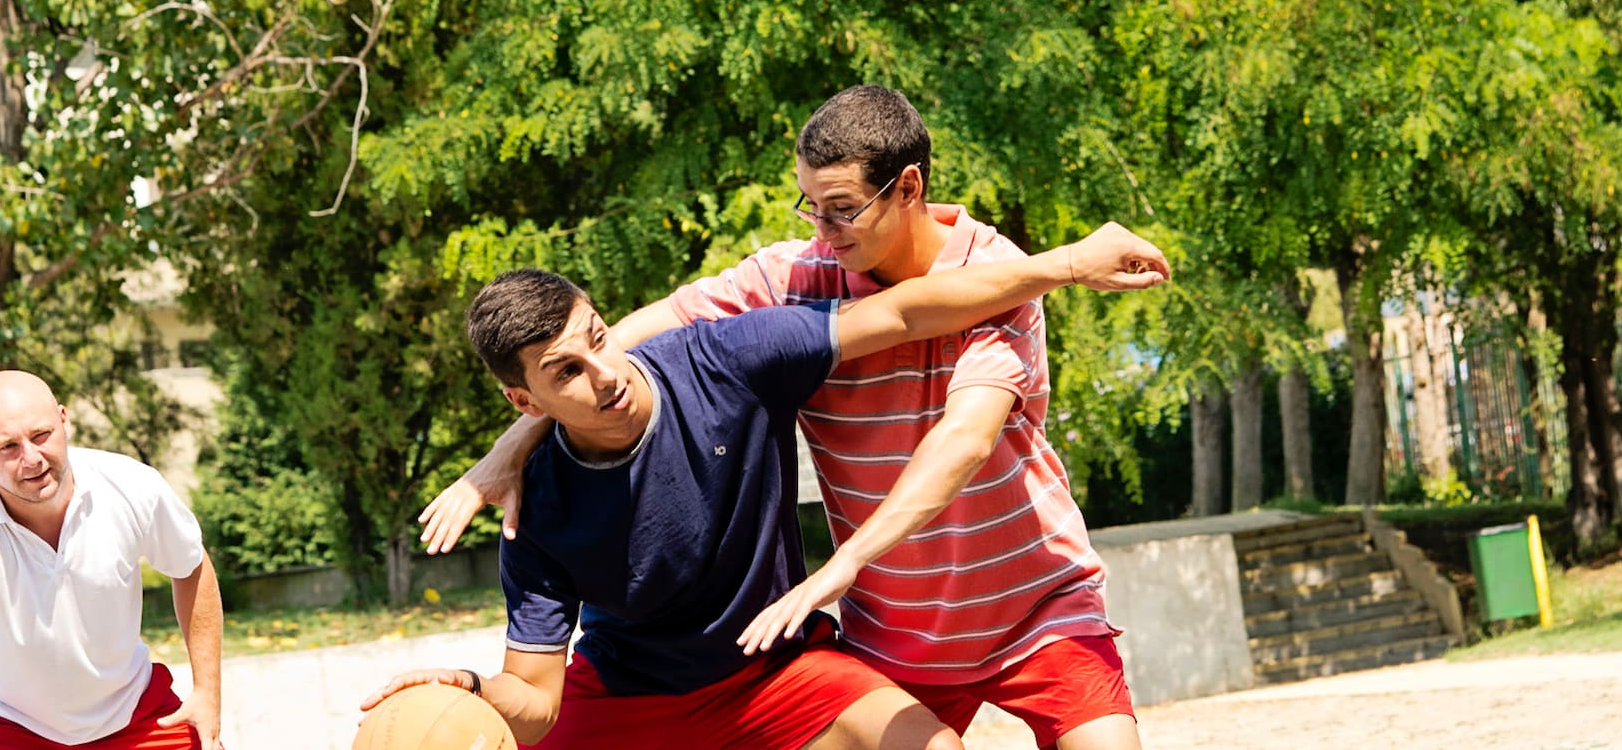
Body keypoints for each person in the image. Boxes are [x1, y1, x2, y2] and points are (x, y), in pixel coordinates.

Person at [421, 86, 1149, 750]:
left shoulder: (1000, 277)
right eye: (808, 204)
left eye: (840, 207)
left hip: (1029, 605)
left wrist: (1072, 263)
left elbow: (961, 435)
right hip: (894, 625)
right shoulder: (790, 279)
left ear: (908, 187)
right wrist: (509, 448)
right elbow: (649, 329)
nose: (821, 227)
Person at [0, 370, 224, 750]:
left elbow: (191, 566)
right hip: (6, 721)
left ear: (64, 422)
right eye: (8, 447)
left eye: (40, 436)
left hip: (128, 710)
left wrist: (207, 693)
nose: (32, 459)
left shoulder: (130, 486)